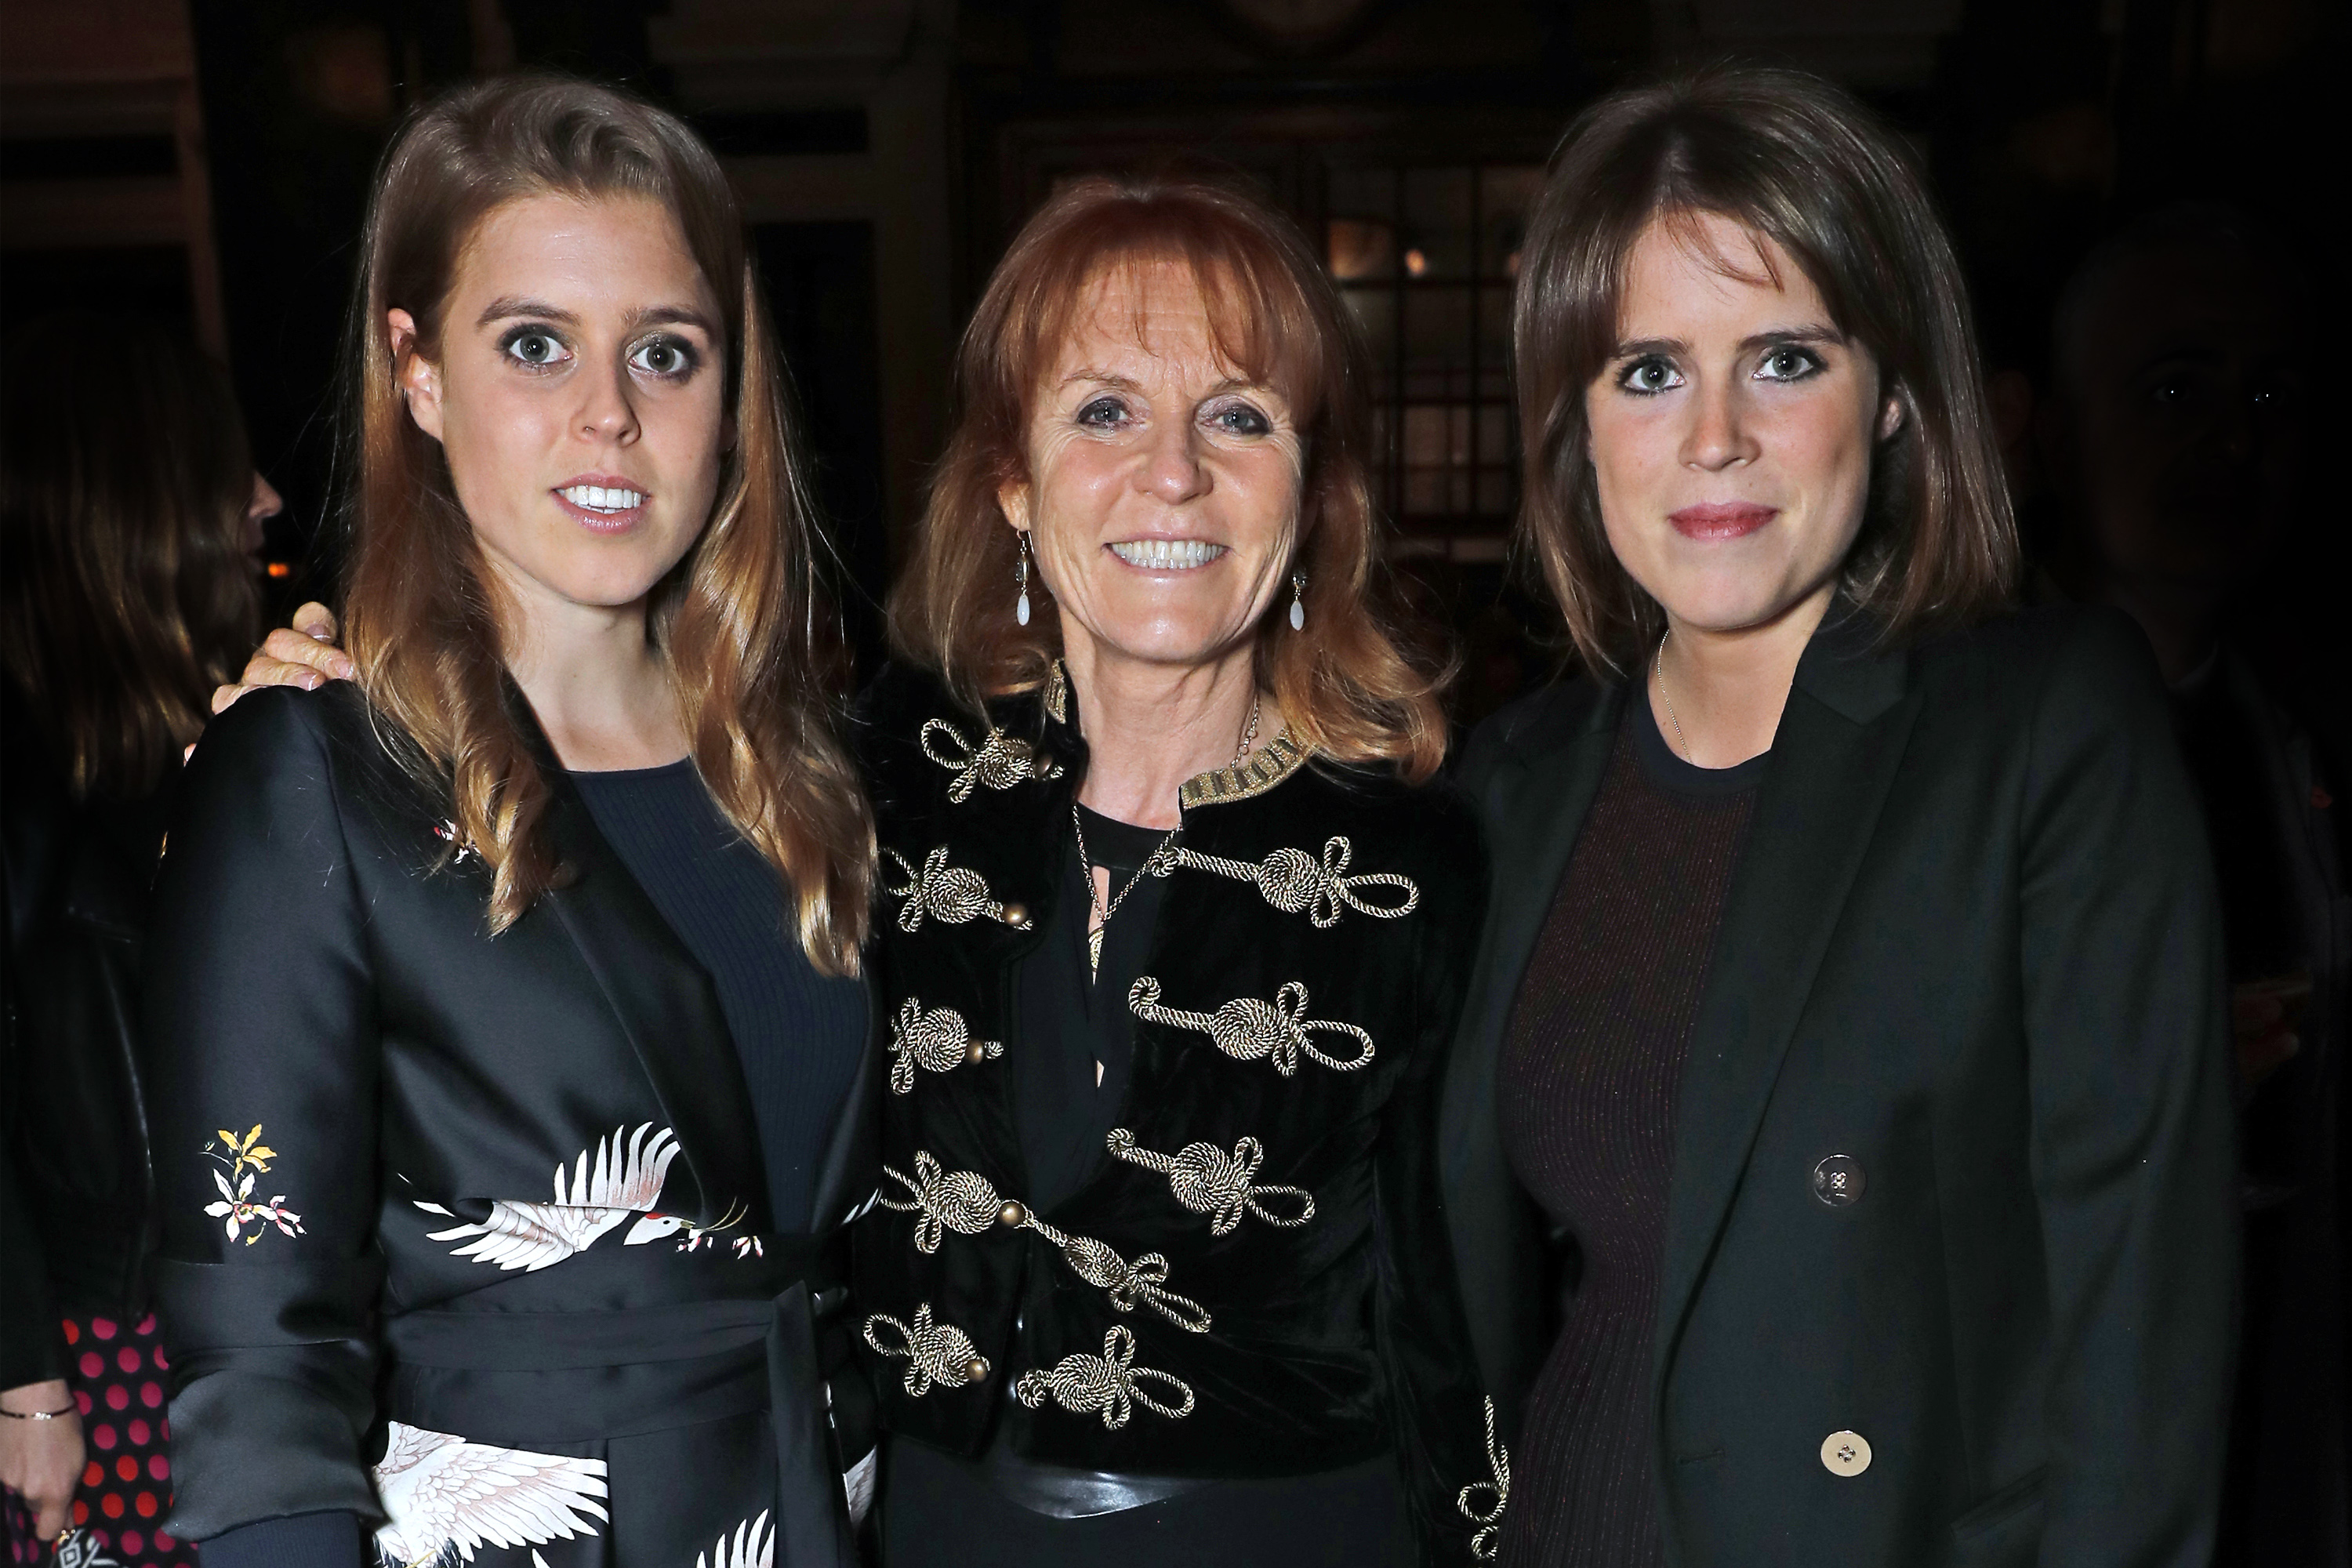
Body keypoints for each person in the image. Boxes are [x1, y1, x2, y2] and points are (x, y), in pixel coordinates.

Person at [1438, 66, 2238, 1566]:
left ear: (1897, 400)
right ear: (1578, 426)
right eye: (1649, 370)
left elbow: (2141, 1341)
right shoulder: (1510, 786)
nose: (1717, 436)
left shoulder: (2046, 733)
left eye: (1787, 360)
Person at [143, 76, 876, 1568]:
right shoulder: (311, 775)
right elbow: (258, 1369)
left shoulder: (822, 774)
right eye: (534, 344)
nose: (609, 415)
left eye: (666, 354)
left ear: (731, 398)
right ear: (415, 372)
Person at [855, 176, 1501, 1565]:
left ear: (1315, 494)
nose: (1173, 473)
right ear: (1013, 483)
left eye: (1240, 416)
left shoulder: (1430, 865)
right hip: (933, 1530)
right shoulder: (882, 791)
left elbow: (1465, 1308)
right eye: (1103, 410)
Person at [2038, 204, 2343, 1567]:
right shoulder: (1954, 735)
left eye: (2272, 395)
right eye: (2175, 390)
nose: (2233, 441)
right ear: (2039, 422)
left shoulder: (2291, 721)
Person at [0, 313, 278, 1566]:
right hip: (98, 1350)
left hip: (237, 1323)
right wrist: (28, 1387)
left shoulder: (219, 745)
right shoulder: (23, 781)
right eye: (230, 475)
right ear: (142, 509)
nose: (268, 501)